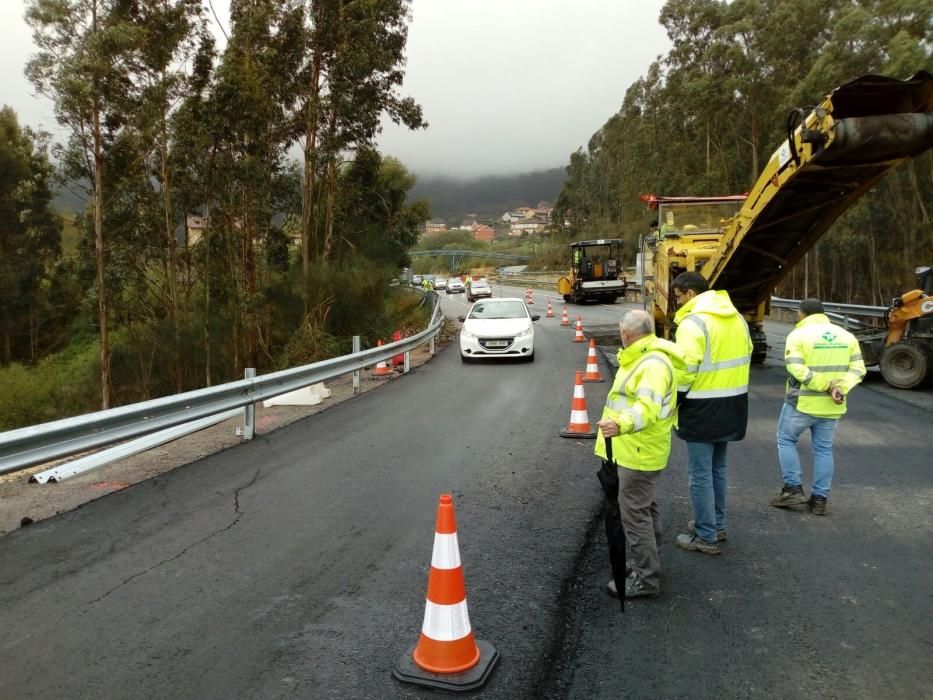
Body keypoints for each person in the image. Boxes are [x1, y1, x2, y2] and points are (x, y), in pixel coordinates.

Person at [595, 310, 684, 598]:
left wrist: (620, 424)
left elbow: (646, 408)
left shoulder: (652, 366)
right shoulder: (645, 357)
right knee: (645, 509)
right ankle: (649, 561)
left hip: (638, 449)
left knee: (634, 515)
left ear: (627, 334)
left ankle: (647, 579)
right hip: (637, 448)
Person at [671, 272, 753, 555]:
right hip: (734, 403)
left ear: (690, 294)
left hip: (702, 407)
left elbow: (685, 368)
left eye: (678, 297)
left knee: (700, 475)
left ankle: (705, 536)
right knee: (717, 469)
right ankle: (716, 525)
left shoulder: (693, 322)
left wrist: (673, 403)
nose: (677, 302)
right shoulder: (737, 318)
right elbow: (748, 353)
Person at [770, 298, 866, 515]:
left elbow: (796, 368)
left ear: (802, 314)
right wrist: (839, 388)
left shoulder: (798, 335)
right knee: (823, 449)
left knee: (785, 440)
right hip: (832, 405)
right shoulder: (846, 336)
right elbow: (858, 369)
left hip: (802, 403)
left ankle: (793, 489)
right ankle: (819, 500)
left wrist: (824, 385)